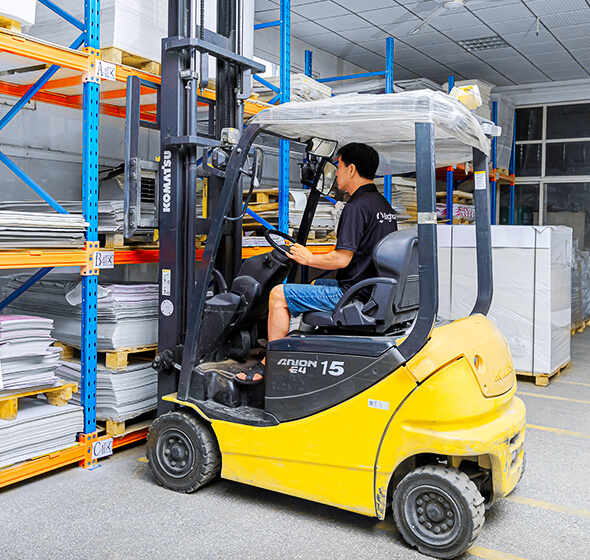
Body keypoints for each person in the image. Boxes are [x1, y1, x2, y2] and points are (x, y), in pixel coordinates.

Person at [236, 142, 398, 385]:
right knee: (315, 282)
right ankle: (299, 354)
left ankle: (271, 362)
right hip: (370, 290)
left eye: (338, 166)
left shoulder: (356, 207)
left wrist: (308, 257)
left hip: (353, 294)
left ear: (351, 169)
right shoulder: (383, 206)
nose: (336, 173)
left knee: (278, 295)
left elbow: (343, 259)